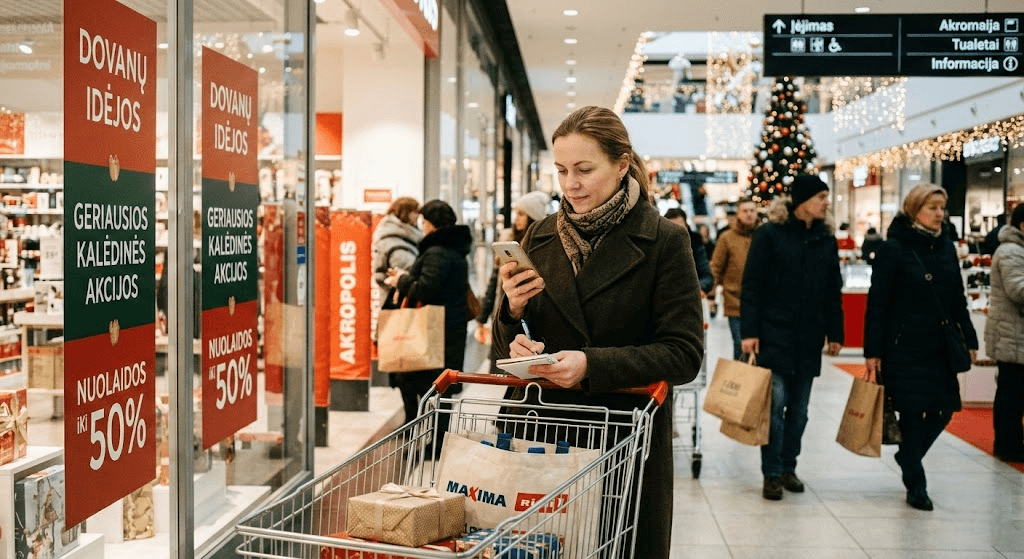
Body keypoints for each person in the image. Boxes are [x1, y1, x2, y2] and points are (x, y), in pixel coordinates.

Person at [492, 106, 704, 558]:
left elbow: (684, 353)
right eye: (562, 170)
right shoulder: (541, 236)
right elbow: (506, 340)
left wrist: (593, 364)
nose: (571, 184)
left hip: (620, 444)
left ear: (622, 164)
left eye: (585, 169)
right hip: (541, 435)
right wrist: (513, 314)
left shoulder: (664, 241)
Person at [864, 184, 979, 511]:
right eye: (932, 208)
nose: (939, 214)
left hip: (939, 344)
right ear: (914, 210)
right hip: (904, 345)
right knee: (913, 413)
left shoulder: (945, 247)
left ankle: (907, 456)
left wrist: (969, 337)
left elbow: (957, 298)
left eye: (942, 207)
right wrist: (873, 351)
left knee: (944, 410)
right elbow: (878, 304)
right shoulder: (894, 248)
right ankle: (917, 484)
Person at [741, 176, 844, 501]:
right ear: (802, 200)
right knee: (776, 407)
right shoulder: (770, 234)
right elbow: (752, 285)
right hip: (774, 334)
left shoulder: (826, 239)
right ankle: (772, 472)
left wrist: (836, 332)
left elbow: (832, 291)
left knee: (799, 411)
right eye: (821, 196)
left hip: (809, 337)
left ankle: (789, 467)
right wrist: (750, 332)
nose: (826, 202)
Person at [384, 200, 471, 442]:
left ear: (431, 225)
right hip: (447, 327)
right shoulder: (453, 249)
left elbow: (425, 289)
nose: (422, 226)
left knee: (430, 385)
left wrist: (400, 282)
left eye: (424, 222)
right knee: (440, 387)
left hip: (434, 329)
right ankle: (432, 437)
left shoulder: (437, 251)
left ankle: (436, 442)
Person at [475, 190, 552, 348]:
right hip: (505, 313)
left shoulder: (544, 246)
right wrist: (483, 317)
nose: (517, 217)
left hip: (533, 318)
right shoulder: (507, 240)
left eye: (522, 213)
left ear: (533, 216)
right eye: (516, 213)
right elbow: (494, 283)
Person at [985, 203, 1024, 463]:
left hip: (1014, 334)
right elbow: (1017, 289)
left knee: (1012, 392)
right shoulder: (1011, 251)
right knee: (1012, 393)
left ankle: (1010, 441)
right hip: (1012, 334)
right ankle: (1008, 444)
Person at [710, 197, 758, 359]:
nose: (749, 214)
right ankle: (741, 381)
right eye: (745, 211)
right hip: (735, 301)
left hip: (761, 302)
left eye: (752, 211)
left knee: (759, 348)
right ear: (738, 214)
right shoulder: (727, 238)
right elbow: (716, 267)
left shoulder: (763, 236)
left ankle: (757, 383)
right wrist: (711, 295)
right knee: (740, 346)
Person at [372, 197, 422, 296]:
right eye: (415, 212)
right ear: (405, 213)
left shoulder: (397, 237)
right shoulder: (395, 241)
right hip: (399, 302)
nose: (418, 216)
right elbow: (409, 268)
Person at [664, 208, 713, 295]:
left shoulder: (695, 243)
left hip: (691, 296)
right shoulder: (661, 246)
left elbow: (706, 275)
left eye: (680, 227)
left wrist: (700, 289)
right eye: (672, 228)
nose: (677, 232)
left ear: (686, 226)